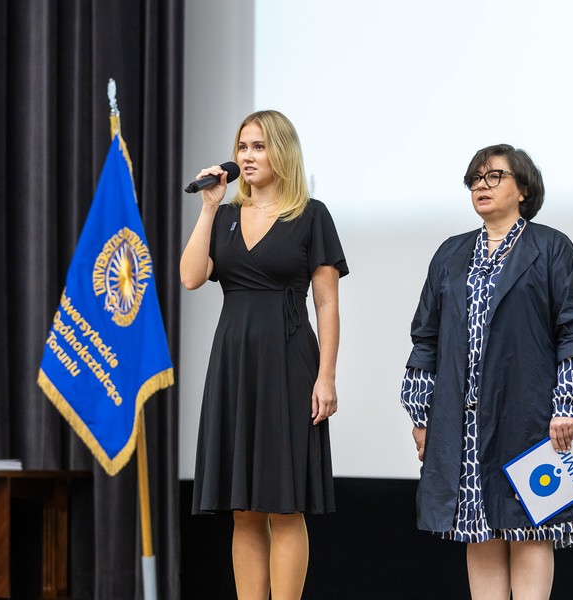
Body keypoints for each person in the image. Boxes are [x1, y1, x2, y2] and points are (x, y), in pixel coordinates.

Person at [400, 144, 573, 599]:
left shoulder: (550, 246)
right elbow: (425, 338)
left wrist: (567, 405)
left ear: (523, 189)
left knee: (528, 525)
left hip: (529, 416)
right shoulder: (451, 253)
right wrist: (421, 414)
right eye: (475, 179)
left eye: (494, 177)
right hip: (462, 421)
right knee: (478, 528)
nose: (481, 186)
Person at [180, 110, 348, 600]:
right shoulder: (225, 215)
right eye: (242, 147)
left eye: (258, 146)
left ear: (282, 152)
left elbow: (327, 303)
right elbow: (190, 277)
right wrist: (208, 208)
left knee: (284, 504)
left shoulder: (311, 214)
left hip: (289, 360)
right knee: (244, 509)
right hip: (234, 363)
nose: (247, 156)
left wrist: (326, 376)